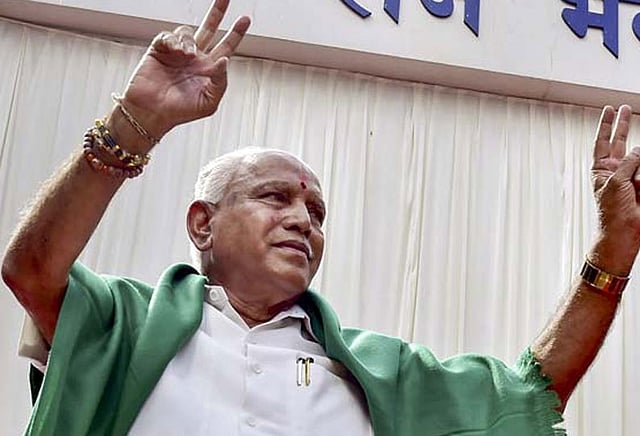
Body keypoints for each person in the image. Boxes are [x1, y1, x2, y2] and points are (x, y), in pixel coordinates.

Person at [3, 0, 640, 434]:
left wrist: (616, 245)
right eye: (273, 197)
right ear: (202, 224)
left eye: (316, 211)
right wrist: (133, 125)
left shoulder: (379, 375)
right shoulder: (124, 324)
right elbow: (31, 269)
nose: (302, 221)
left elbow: (529, 396)